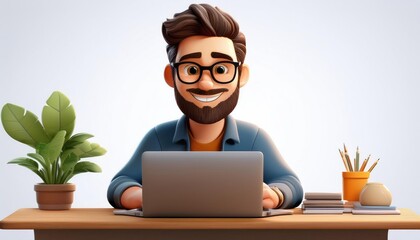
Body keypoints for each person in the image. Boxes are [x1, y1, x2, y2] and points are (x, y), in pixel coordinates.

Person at [107, 3, 303, 210]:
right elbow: (119, 184)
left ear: (241, 76)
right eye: (191, 70)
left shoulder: (254, 138)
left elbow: (291, 183)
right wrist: (139, 196)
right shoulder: (158, 138)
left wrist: (276, 195)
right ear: (171, 76)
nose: (206, 83)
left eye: (220, 69)